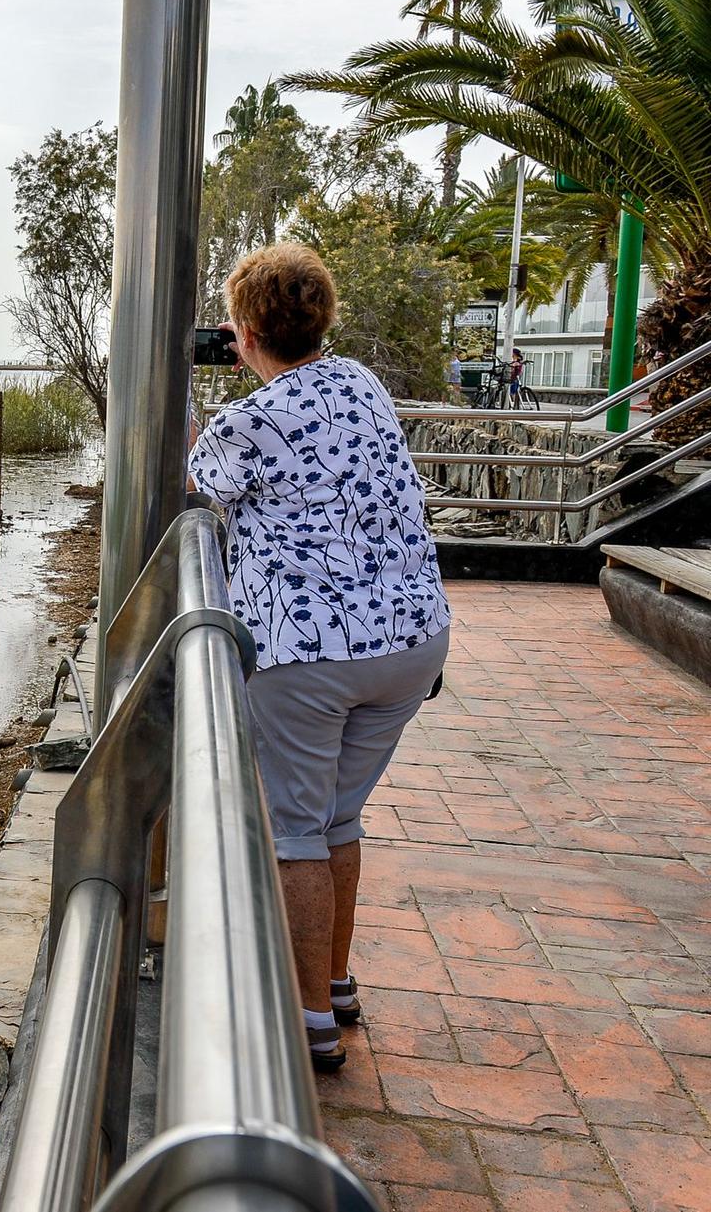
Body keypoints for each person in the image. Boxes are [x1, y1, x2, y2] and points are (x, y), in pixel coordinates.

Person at [187, 243, 451, 1073]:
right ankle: (334, 982)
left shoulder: (250, 420)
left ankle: (308, 1024)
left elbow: (196, 479)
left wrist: (186, 401)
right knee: (339, 816)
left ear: (249, 331)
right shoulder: (363, 383)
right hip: (411, 640)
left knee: (293, 829)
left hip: (313, 651)